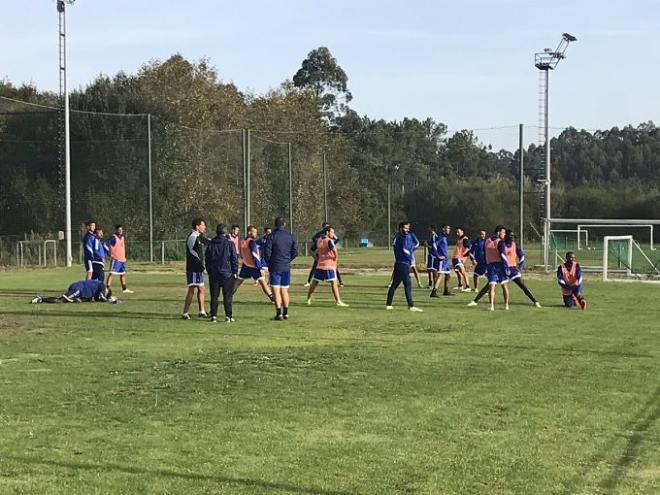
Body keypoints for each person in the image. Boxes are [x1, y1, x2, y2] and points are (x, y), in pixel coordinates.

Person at [467, 225, 509, 310]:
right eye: (503, 232)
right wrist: (506, 267)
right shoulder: (500, 242)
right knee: (504, 285)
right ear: (498, 232)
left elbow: (485, 252)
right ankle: (506, 305)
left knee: (491, 286)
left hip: (490, 266)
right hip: (499, 266)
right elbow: (503, 256)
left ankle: (491, 306)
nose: (504, 234)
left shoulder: (487, 241)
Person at [264, 216, 298, 321]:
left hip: (275, 266)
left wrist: (269, 262)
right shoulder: (290, 236)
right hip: (286, 266)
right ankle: (286, 312)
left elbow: (267, 251)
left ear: (275, 224)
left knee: (276, 290)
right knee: (284, 290)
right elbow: (295, 251)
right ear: (284, 224)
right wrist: (288, 259)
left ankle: (278, 313)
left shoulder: (272, 236)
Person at [306, 225, 348, 307]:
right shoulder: (330, 241)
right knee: (334, 283)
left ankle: (308, 298)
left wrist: (317, 259)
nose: (333, 234)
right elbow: (335, 251)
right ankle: (338, 301)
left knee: (314, 282)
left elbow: (313, 252)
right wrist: (335, 259)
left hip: (320, 265)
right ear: (327, 232)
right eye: (332, 232)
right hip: (329, 265)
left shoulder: (319, 240)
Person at [386, 222, 423, 312]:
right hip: (403, 263)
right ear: (400, 228)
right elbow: (405, 250)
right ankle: (410, 305)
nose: (407, 230)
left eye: (408, 228)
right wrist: (410, 258)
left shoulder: (396, 237)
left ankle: (388, 304)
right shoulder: (402, 237)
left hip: (398, 263)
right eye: (405, 228)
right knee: (407, 285)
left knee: (394, 284)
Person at [205, 224, 239, 323]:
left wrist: (209, 271)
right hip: (227, 274)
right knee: (227, 296)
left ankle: (214, 315)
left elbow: (207, 259)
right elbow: (234, 259)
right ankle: (228, 316)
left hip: (214, 273)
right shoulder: (229, 244)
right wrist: (235, 271)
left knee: (214, 296)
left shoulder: (211, 244)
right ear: (225, 232)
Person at [500, 230, 542, 308]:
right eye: (510, 236)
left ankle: (535, 301)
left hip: (512, 268)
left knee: (522, 285)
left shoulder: (515, 245)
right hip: (502, 268)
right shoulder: (502, 244)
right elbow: (502, 255)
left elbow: (521, 256)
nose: (512, 237)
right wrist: (505, 267)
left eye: (513, 236)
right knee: (491, 284)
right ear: (506, 236)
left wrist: (520, 266)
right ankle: (475, 301)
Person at [233, 225, 274, 303]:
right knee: (263, 282)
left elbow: (241, 254)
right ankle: (272, 298)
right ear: (249, 232)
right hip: (254, 267)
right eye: (254, 232)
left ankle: (228, 296)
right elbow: (255, 256)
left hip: (245, 265)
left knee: (238, 282)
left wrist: (245, 260)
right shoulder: (252, 242)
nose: (256, 234)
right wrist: (260, 267)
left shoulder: (242, 241)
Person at [182, 218, 209, 320]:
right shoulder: (192, 237)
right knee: (192, 289)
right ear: (197, 226)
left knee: (201, 288)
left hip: (198, 269)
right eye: (203, 225)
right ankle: (185, 312)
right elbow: (193, 253)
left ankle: (201, 311)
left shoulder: (198, 236)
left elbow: (208, 242)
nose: (204, 227)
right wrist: (201, 264)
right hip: (193, 268)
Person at [305, 222, 345, 288]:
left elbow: (337, 239)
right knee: (314, 268)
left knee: (335, 268)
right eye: (325, 227)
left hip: (329, 255)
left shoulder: (330, 235)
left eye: (328, 227)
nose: (327, 228)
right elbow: (314, 239)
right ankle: (309, 282)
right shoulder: (320, 234)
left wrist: (331, 245)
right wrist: (318, 245)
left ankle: (340, 282)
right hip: (321, 255)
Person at [31, 279, 116, 304]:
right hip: (78, 288)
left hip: (79, 289)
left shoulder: (96, 293)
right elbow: (102, 297)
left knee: (64, 299)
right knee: (61, 301)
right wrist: (110, 300)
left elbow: (98, 299)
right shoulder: (102, 285)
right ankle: (41, 299)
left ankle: (41, 299)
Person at [104, 224, 133, 294]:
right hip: (116, 259)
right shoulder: (113, 237)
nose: (120, 231)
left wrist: (124, 257)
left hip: (122, 260)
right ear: (116, 230)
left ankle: (124, 289)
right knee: (111, 273)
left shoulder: (122, 237)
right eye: (119, 230)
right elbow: (105, 245)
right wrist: (110, 254)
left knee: (123, 274)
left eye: (121, 230)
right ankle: (106, 288)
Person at [430, 224, 452, 297]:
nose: (449, 229)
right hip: (441, 260)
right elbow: (434, 245)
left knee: (448, 275)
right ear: (443, 229)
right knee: (440, 275)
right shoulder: (441, 237)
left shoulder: (445, 237)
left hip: (446, 260)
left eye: (449, 228)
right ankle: (434, 291)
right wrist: (438, 255)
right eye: (447, 228)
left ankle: (446, 290)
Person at [452, 227, 471, 291]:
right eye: (456, 232)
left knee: (463, 272)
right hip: (455, 257)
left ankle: (468, 286)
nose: (457, 233)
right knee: (458, 272)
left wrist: (462, 256)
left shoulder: (465, 239)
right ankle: (460, 285)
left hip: (459, 258)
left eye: (458, 232)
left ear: (462, 231)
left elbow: (468, 248)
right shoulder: (459, 239)